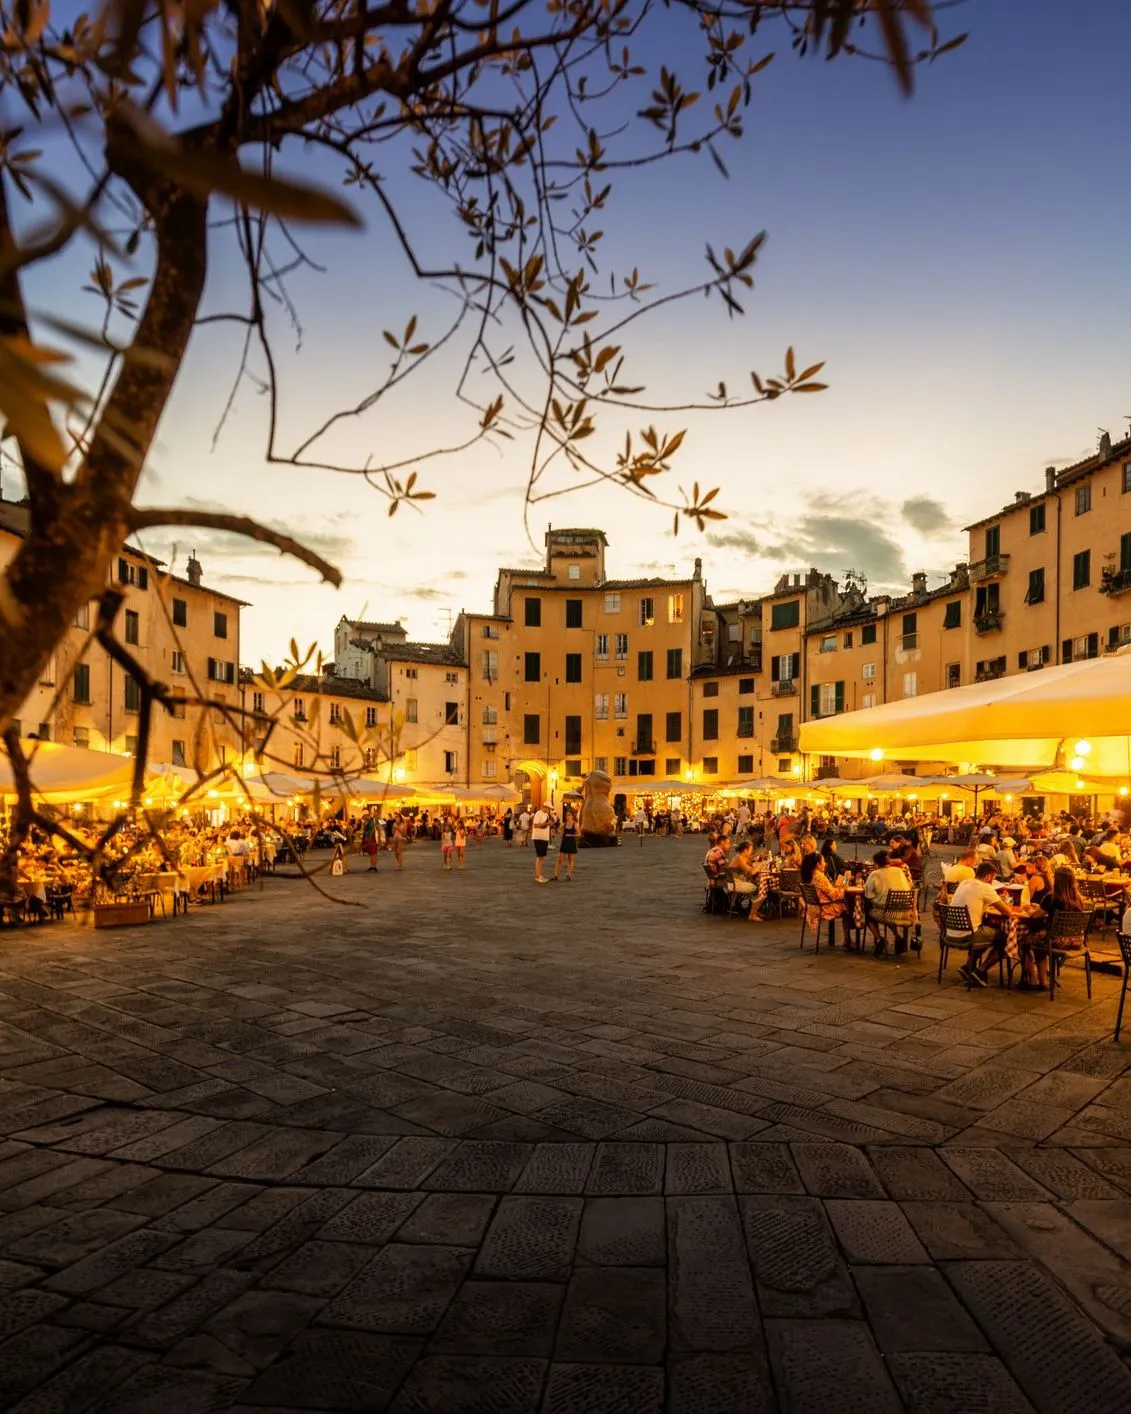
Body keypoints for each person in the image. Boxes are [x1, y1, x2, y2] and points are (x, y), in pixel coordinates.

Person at [948, 862, 1016, 987]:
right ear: (989, 876)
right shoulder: (986, 887)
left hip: (950, 932)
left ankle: (968, 966)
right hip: (969, 934)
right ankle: (981, 971)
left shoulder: (964, 883)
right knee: (1005, 938)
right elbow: (1007, 911)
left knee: (987, 932)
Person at [863, 849, 914, 955]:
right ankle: (898, 936)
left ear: (876, 863)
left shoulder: (875, 874)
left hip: (887, 913)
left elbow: (868, 894)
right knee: (888, 909)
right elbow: (909, 886)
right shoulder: (899, 871)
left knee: (868, 911)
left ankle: (879, 939)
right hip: (906, 912)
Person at [800, 850, 848, 948]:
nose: (825, 864)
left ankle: (847, 939)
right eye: (823, 862)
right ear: (818, 864)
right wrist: (844, 885)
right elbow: (834, 895)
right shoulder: (820, 877)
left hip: (813, 907)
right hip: (823, 908)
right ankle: (848, 939)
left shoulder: (811, 875)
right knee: (848, 909)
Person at [551, 808, 579, 881]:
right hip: (564, 842)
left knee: (570, 859)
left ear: (572, 816)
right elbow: (559, 832)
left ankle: (568, 875)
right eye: (566, 815)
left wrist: (572, 835)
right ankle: (555, 875)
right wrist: (555, 832)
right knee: (560, 859)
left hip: (571, 842)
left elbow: (579, 834)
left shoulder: (575, 824)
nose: (567, 816)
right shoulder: (564, 824)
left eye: (569, 815)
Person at [531, 803, 552, 883]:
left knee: (541, 857)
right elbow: (535, 825)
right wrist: (547, 823)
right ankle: (538, 876)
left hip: (544, 838)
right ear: (545, 807)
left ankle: (539, 875)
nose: (549, 810)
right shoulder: (538, 813)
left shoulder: (546, 814)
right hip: (538, 837)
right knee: (539, 857)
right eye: (549, 808)